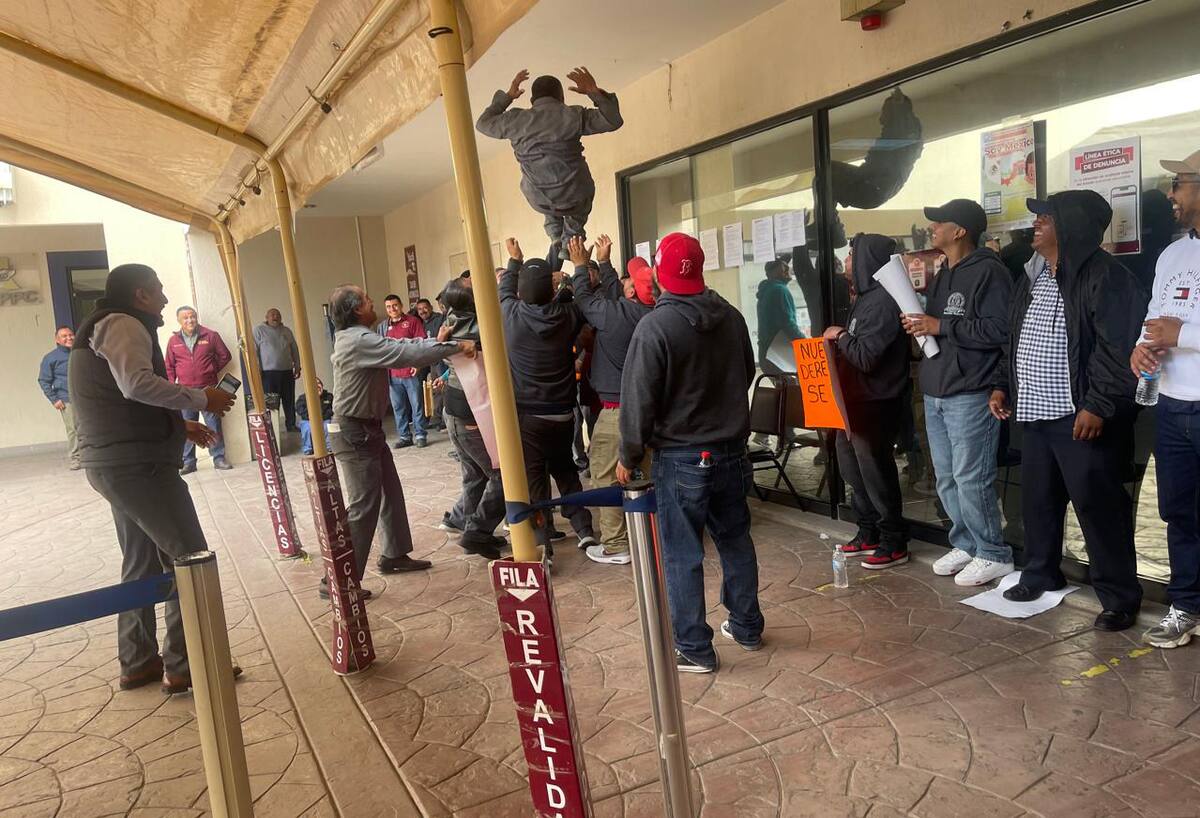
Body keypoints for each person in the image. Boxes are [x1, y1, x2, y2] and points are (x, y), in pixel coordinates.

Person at [68, 263, 237, 694]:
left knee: (141, 564)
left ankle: (139, 661)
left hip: (117, 463)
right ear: (140, 294)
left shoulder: (102, 326)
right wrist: (202, 398)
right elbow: (135, 384)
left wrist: (182, 426)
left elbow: (119, 396)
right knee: (189, 557)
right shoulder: (122, 323)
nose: (165, 299)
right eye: (159, 290)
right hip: (137, 467)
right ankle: (187, 664)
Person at [990, 191, 1147, 631]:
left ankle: (1119, 595)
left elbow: (1119, 351)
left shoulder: (1107, 277)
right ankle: (1041, 571)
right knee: (1038, 501)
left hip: (1081, 416)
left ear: (1071, 225)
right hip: (1037, 412)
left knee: (1099, 509)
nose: (1034, 224)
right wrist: (1003, 384)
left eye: (1045, 217)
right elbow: (1015, 338)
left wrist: (1098, 404)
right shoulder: (1035, 275)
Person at [618, 232, 763, 674]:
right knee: (736, 541)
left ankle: (695, 649)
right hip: (732, 452)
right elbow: (747, 369)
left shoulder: (655, 327)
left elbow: (639, 398)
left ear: (659, 273)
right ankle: (746, 626)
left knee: (683, 554)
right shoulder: (733, 318)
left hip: (681, 458)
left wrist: (629, 453)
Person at [328, 284, 474, 598]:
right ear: (356, 310)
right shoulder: (358, 340)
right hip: (355, 433)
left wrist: (436, 343)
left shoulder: (360, 338)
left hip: (367, 430)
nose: (373, 304)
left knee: (389, 493)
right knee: (362, 507)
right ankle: (337, 581)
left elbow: (404, 344)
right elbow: (402, 353)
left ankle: (393, 555)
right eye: (367, 300)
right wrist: (453, 347)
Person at [902, 199, 1014, 586]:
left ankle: (993, 552)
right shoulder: (944, 272)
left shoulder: (989, 272)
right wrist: (922, 326)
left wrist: (940, 326)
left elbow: (1001, 331)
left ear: (960, 230)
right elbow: (941, 324)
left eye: (939, 223)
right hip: (937, 389)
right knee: (947, 476)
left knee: (971, 476)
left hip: (970, 391)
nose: (932, 228)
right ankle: (966, 543)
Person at [1134, 151, 1200, 648]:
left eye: (1179, 183)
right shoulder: (1172, 255)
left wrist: (1186, 334)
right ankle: (1186, 605)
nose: (1172, 194)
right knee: (1178, 511)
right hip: (1173, 405)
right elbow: (1156, 317)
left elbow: (1178, 328)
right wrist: (1142, 345)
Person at [500, 237, 597, 556]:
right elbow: (581, 300)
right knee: (567, 472)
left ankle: (541, 543)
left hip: (529, 416)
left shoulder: (510, 315)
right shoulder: (566, 315)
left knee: (535, 483)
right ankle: (584, 531)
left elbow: (503, 290)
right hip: (563, 414)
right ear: (551, 289)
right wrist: (576, 270)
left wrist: (514, 259)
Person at [476, 68, 623, 269]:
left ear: (531, 101)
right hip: (575, 197)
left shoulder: (515, 120)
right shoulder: (572, 115)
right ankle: (570, 239)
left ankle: (555, 236)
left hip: (539, 200)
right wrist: (593, 91)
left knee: (542, 181)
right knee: (575, 199)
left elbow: (483, 124)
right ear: (561, 97)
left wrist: (508, 97)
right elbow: (612, 120)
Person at [823, 235, 911, 568]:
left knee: (876, 471)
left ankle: (894, 539)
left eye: (851, 255)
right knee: (852, 471)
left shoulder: (886, 301)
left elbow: (866, 356)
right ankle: (868, 530)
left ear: (867, 260)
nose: (846, 260)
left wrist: (841, 336)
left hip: (877, 402)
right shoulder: (864, 298)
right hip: (854, 402)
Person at [568, 235, 655, 565]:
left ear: (631, 291)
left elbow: (585, 299)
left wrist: (579, 265)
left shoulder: (615, 315)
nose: (624, 280)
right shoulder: (652, 314)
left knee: (606, 476)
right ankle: (644, 535)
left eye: (628, 278)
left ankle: (616, 545)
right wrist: (604, 264)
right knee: (641, 476)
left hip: (617, 414)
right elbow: (612, 297)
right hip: (650, 414)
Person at [436, 277, 505, 560]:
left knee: (475, 474)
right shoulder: (477, 327)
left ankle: (461, 519)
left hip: (454, 411)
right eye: (469, 281)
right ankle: (476, 532)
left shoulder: (451, 321)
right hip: (471, 412)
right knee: (503, 475)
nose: (474, 277)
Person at [165, 306, 233, 473]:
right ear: (179, 321)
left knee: (213, 424)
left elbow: (225, 356)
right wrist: (171, 386)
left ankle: (219, 458)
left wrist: (211, 370)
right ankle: (188, 462)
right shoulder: (173, 341)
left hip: (207, 390)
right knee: (187, 427)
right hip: (184, 391)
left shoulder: (211, 335)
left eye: (192, 316)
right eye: (185, 318)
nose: (190, 320)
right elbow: (169, 366)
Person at [376, 294, 428, 448]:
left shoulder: (413, 321)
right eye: (388, 307)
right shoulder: (382, 327)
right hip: (392, 374)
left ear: (401, 305)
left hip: (410, 372)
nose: (392, 309)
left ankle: (420, 435)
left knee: (416, 404)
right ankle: (405, 436)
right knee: (398, 407)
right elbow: (380, 348)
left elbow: (421, 344)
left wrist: (417, 365)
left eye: (395, 305)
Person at [38, 325, 80, 469]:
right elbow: (43, 380)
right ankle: (76, 459)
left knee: (89, 427)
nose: (69, 338)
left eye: (70, 335)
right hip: (67, 399)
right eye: (64, 336)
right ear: (57, 339)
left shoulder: (80, 352)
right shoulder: (51, 358)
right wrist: (54, 399)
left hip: (85, 398)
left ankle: (90, 456)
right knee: (73, 429)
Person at [254, 309, 301, 431]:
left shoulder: (286, 331)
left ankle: (291, 425)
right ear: (266, 317)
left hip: (286, 371)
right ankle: (272, 428)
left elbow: (294, 349)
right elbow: (255, 352)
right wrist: (257, 369)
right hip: (268, 373)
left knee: (289, 399)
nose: (275, 317)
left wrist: (297, 365)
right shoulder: (259, 330)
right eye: (272, 315)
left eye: (278, 315)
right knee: (271, 402)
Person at [756, 258, 804, 373]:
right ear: (771, 273)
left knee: (782, 390)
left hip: (768, 353)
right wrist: (804, 342)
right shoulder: (779, 290)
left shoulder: (767, 290)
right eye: (782, 266)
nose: (787, 268)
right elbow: (787, 323)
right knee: (792, 390)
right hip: (779, 355)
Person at [414, 297, 447, 431]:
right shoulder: (420, 323)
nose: (423, 311)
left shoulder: (439, 319)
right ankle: (437, 418)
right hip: (429, 359)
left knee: (444, 388)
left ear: (431, 308)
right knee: (435, 389)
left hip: (441, 358)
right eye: (419, 309)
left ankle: (445, 419)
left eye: (425, 308)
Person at [296, 378, 333, 456]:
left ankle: (329, 446)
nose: (317, 386)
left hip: (324, 419)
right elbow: (300, 410)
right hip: (308, 419)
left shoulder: (329, 396)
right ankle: (307, 448)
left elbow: (331, 410)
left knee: (327, 426)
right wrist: (312, 417)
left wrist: (321, 416)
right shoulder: (303, 398)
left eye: (319, 383)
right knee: (307, 428)